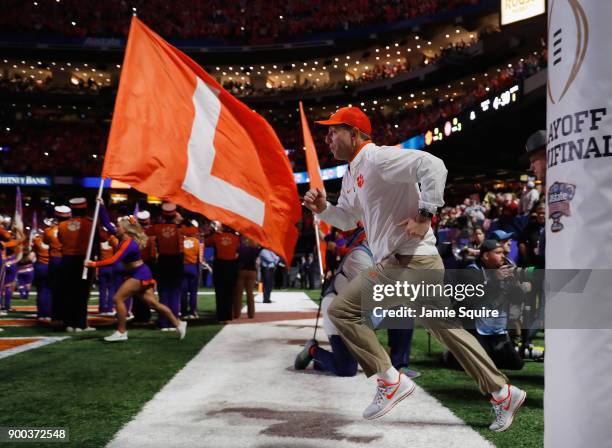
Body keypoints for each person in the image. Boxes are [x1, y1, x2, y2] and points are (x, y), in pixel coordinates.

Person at [303, 106, 525, 432]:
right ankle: (503, 392)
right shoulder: (352, 173)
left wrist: (425, 215)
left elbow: (433, 165)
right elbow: (349, 219)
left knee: (342, 310)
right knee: (448, 331)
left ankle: (390, 379)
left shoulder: (377, 158)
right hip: (416, 260)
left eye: (333, 130)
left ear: (354, 133)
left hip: (408, 260)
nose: (328, 137)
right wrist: (324, 209)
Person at [295, 227, 419, 378]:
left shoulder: (385, 259)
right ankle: (313, 351)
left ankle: (398, 365)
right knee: (346, 369)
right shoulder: (359, 257)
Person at [85, 200, 186, 342]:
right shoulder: (123, 237)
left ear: (125, 229)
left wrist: (93, 264)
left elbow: (113, 260)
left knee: (117, 298)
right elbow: (107, 224)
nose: (116, 228)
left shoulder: (128, 243)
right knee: (154, 304)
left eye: (119, 226)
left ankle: (121, 332)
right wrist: (101, 206)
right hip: (140, 273)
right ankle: (179, 324)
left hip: (139, 274)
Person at [58, 197, 95, 332]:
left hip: (67, 260)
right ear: (85, 208)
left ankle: (69, 323)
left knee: (69, 292)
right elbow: (103, 238)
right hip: (84, 260)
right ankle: (80, 323)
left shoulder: (62, 225)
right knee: (82, 293)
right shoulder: (91, 223)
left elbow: (61, 240)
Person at [151, 203, 184, 330]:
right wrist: (180, 221)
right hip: (176, 262)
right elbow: (196, 231)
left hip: (163, 261)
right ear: (175, 214)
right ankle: (174, 321)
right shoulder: (182, 228)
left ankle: (164, 322)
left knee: (163, 294)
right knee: (175, 293)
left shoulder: (156, 228)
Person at [206, 225, 240, 321]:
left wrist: (215, 232)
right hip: (231, 267)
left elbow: (206, 242)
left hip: (220, 266)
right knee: (229, 292)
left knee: (220, 292)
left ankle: (220, 315)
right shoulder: (236, 238)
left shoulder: (216, 237)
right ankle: (228, 315)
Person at [233, 236, 261, 319]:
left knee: (238, 294)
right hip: (252, 271)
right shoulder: (255, 249)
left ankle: (237, 314)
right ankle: (251, 314)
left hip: (241, 271)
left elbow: (235, 257)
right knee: (250, 294)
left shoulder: (240, 248)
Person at [181, 220, 201, 319]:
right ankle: (193, 311)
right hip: (193, 267)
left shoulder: (181, 241)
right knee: (193, 292)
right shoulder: (197, 242)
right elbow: (200, 259)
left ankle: (184, 311)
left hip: (183, 266)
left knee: (183, 291)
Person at [32, 220, 52, 320]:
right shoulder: (54, 239)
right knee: (50, 291)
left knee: (40, 291)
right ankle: (48, 313)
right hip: (50, 266)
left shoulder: (37, 240)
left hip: (40, 266)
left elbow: (34, 251)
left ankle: (41, 314)